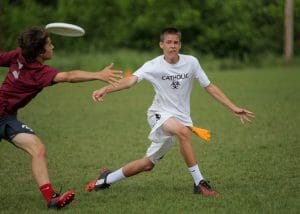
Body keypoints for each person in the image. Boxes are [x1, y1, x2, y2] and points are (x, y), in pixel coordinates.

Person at [85, 27, 255, 196]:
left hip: (180, 118)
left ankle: (106, 179)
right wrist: (106, 89)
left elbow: (209, 86)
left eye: (176, 42)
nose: (172, 46)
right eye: (169, 42)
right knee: (182, 132)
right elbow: (130, 81)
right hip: (158, 114)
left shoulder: (191, 62)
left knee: (147, 164)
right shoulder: (153, 65)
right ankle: (200, 183)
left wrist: (233, 107)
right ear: (161, 45)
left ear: (180, 45)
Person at [0, 26, 122, 209]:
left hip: (6, 118)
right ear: (41, 51)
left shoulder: (20, 56)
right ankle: (52, 199)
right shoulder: (38, 72)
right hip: (3, 116)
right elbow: (69, 76)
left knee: (38, 149)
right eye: (49, 44)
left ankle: (52, 200)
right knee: (37, 148)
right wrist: (97, 74)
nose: (53, 47)